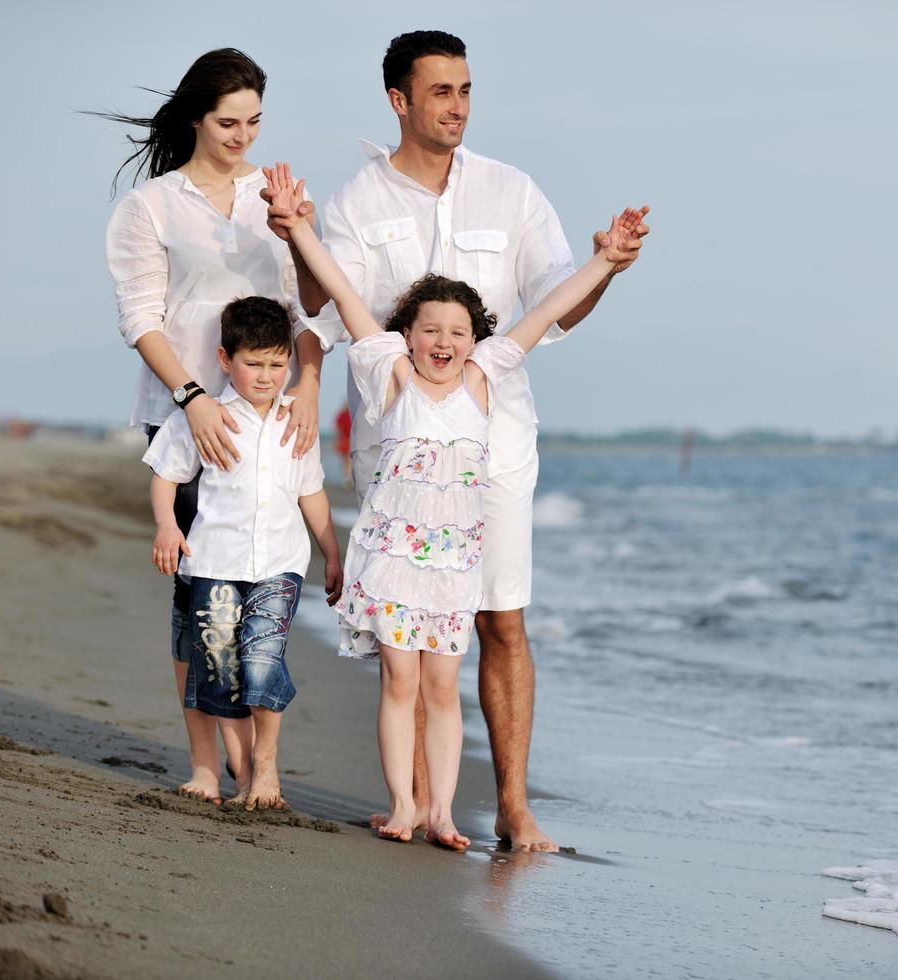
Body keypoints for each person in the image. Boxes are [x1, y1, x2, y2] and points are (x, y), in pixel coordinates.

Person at [277, 30, 650, 851]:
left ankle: (513, 808)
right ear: (399, 100)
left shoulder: (513, 192)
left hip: (495, 433)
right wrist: (294, 238)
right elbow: (328, 304)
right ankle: (416, 801)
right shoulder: (356, 203)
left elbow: (556, 306)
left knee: (502, 620)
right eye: (440, 91)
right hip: (395, 442)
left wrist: (607, 264)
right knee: (407, 644)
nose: (457, 107)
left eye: (467, 90)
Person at [100, 48, 329, 804]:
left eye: (255, 121)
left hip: (270, 409)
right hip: (184, 412)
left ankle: (253, 755)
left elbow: (310, 310)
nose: (243, 136)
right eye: (228, 122)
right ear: (196, 117)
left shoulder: (278, 194)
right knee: (197, 594)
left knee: (260, 580)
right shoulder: (152, 206)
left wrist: (308, 387)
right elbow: (141, 317)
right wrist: (194, 396)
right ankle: (212, 753)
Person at [143, 296, 343, 810]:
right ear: (225, 358)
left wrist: (332, 552)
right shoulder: (203, 417)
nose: (266, 376)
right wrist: (167, 525)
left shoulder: (294, 423)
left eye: (278, 364)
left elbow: (311, 492)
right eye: (253, 363)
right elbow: (167, 476)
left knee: (260, 661)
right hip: (214, 562)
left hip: (280, 564)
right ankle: (240, 771)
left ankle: (267, 768)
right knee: (223, 669)